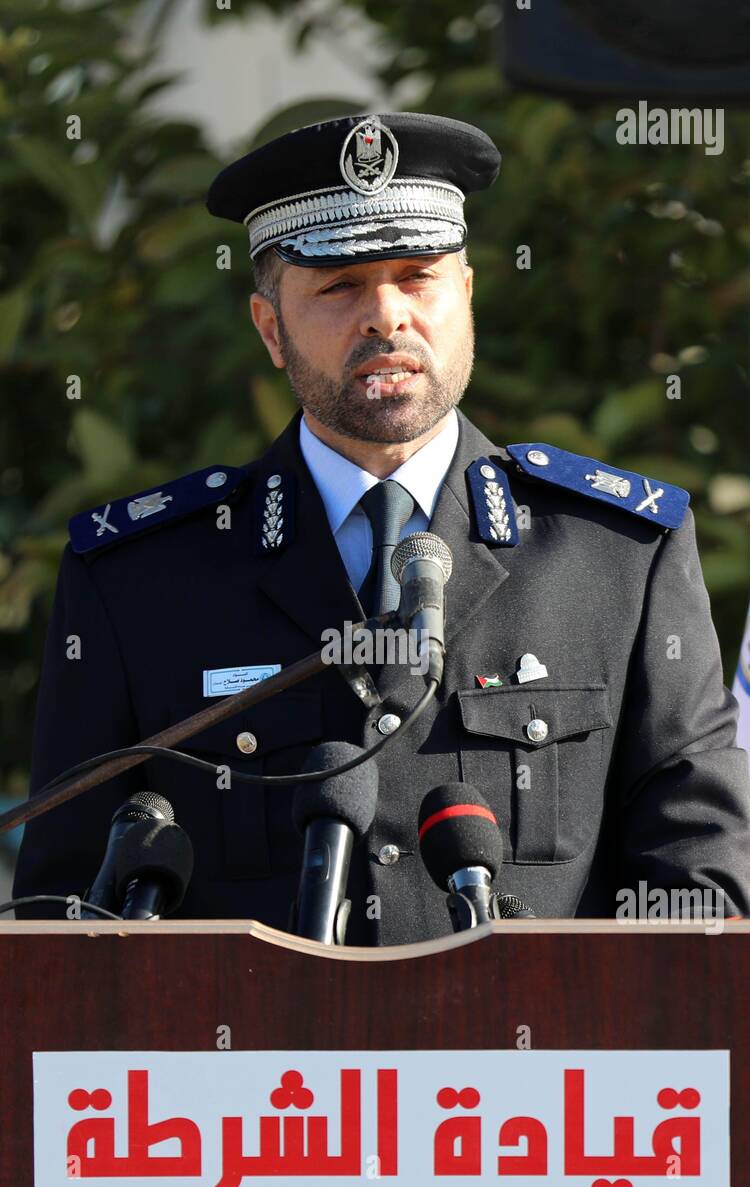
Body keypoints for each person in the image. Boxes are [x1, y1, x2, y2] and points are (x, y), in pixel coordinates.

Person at [12, 111, 750, 940]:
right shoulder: (137, 581)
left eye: (418, 276)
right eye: (339, 286)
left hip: (531, 1060)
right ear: (270, 329)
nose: (386, 315)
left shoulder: (620, 555)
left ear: (466, 297)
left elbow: (700, 877)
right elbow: (64, 916)